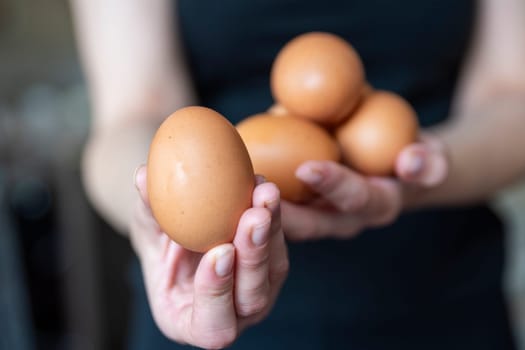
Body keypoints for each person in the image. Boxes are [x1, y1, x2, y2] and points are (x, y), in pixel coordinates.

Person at [70, 0, 525, 348]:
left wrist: (425, 168)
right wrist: (162, 220)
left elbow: (512, 95)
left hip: (444, 299)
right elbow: (132, 115)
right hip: (212, 293)